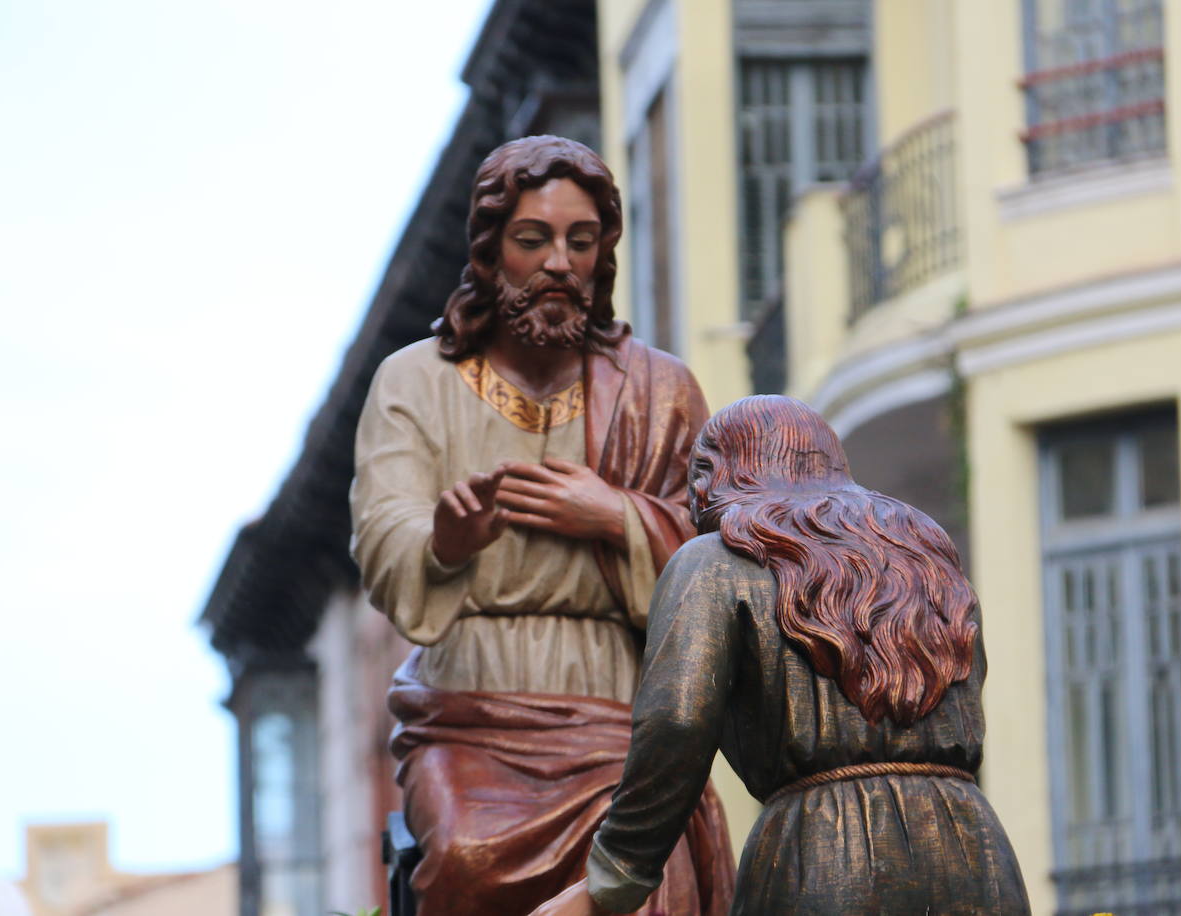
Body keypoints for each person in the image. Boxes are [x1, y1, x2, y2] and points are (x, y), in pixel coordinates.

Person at [349, 135, 735, 916]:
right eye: (534, 240)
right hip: (472, 703)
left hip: (620, 711)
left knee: (647, 873)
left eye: (580, 241)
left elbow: (717, 569)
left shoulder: (659, 391)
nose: (560, 261)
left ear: (603, 256)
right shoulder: (416, 382)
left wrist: (615, 515)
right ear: (491, 256)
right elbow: (382, 533)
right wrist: (445, 542)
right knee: (464, 855)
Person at [533, 395, 1031, 915]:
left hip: (820, 849)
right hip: (975, 849)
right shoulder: (927, 559)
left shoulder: (713, 562)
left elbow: (676, 720)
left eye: (697, 478)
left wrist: (615, 880)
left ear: (716, 475)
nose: (691, 501)